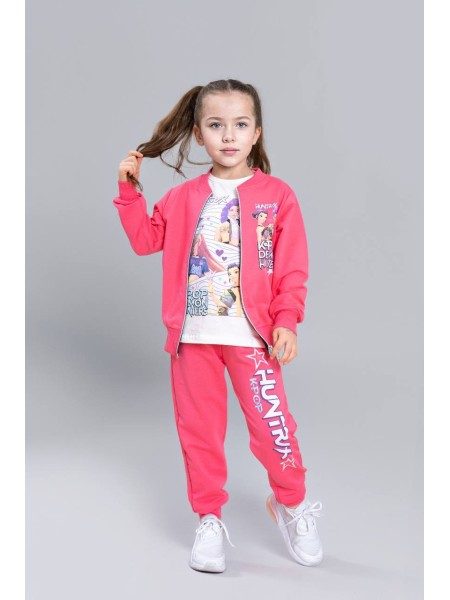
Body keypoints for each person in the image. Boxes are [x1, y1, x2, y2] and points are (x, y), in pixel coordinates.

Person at [112, 78, 323, 573]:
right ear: (198, 134)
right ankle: (208, 519)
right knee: (201, 435)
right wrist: (129, 190)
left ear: (256, 133)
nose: (229, 135)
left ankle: (291, 503)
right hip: (194, 340)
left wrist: (286, 321)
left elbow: (292, 268)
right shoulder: (183, 197)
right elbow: (145, 241)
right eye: (215, 125)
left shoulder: (277, 196)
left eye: (240, 124)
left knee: (273, 430)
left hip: (255, 340)